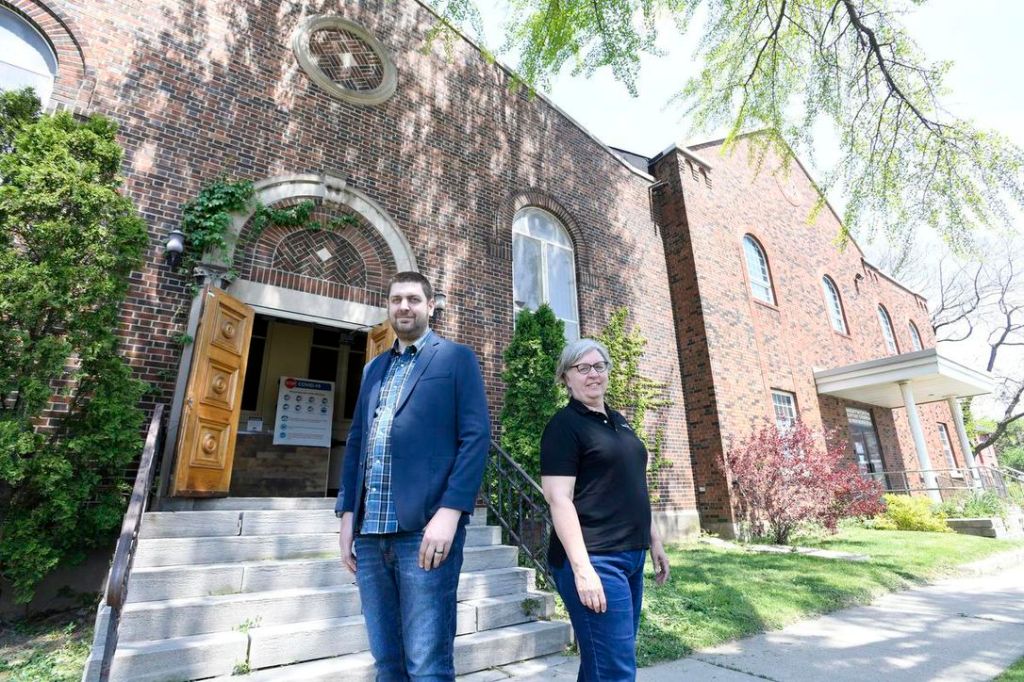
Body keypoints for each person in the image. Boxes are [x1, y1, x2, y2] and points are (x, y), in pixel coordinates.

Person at [336, 271, 490, 681]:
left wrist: (451, 512)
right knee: (386, 661)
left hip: (424, 531)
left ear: (430, 306)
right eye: (396, 300)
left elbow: (475, 439)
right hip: (370, 534)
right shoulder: (372, 370)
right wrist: (347, 515)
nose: (404, 307)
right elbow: (357, 444)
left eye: (413, 299)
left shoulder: (456, 359)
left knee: (427, 663)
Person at [540, 338, 671, 682]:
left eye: (599, 366)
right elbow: (559, 498)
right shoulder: (564, 426)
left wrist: (653, 540)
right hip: (595, 559)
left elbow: (634, 484)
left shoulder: (619, 421)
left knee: (603, 664)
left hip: (631, 555)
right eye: (582, 368)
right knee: (615, 670)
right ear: (566, 378)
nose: (593, 374)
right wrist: (583, 570)